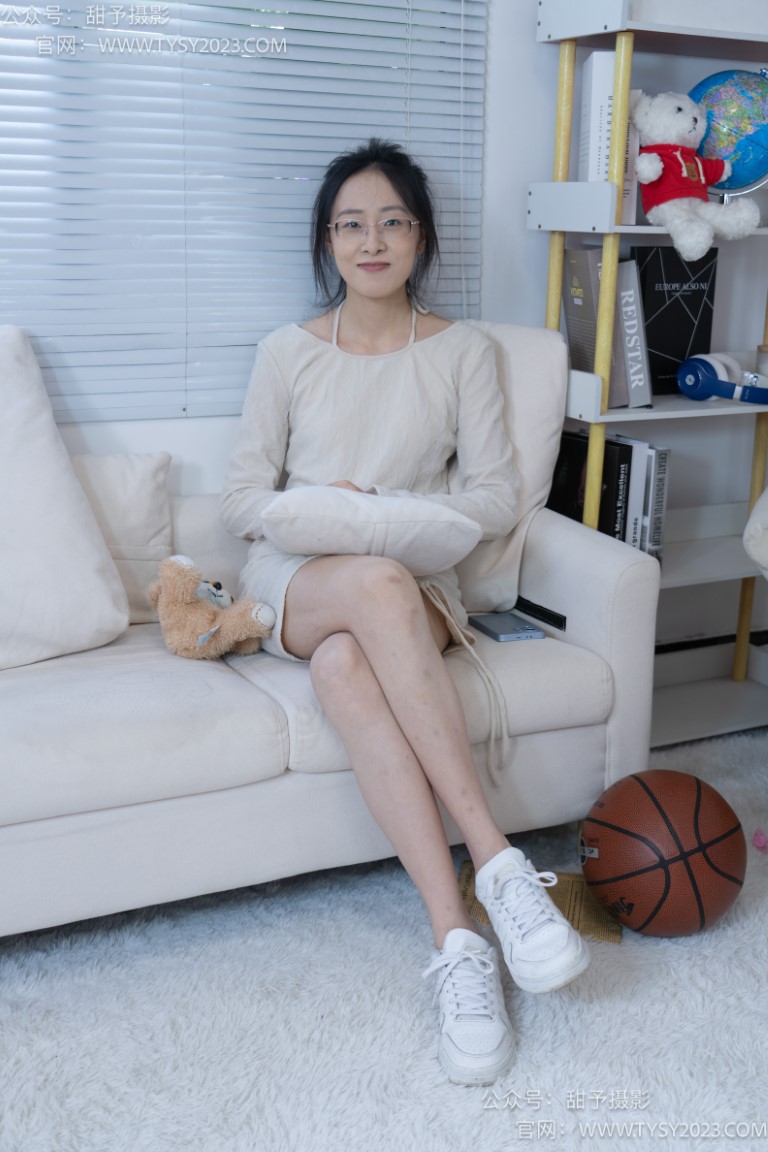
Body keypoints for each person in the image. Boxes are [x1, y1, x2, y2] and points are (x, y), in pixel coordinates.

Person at [220, 138, 590, 1086]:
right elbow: (242, 499)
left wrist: (389, 514)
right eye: (352, 225)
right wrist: (328, 508)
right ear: (328, 241)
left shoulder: (463, 352)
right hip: (299, 579)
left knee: (350, 659)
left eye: (392, 222)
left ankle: (456, 940)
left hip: (417, 582)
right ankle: (498, 861)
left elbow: (496, 495)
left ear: (421, 237)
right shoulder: (286, 352)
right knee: (368, 587)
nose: (372, 241)